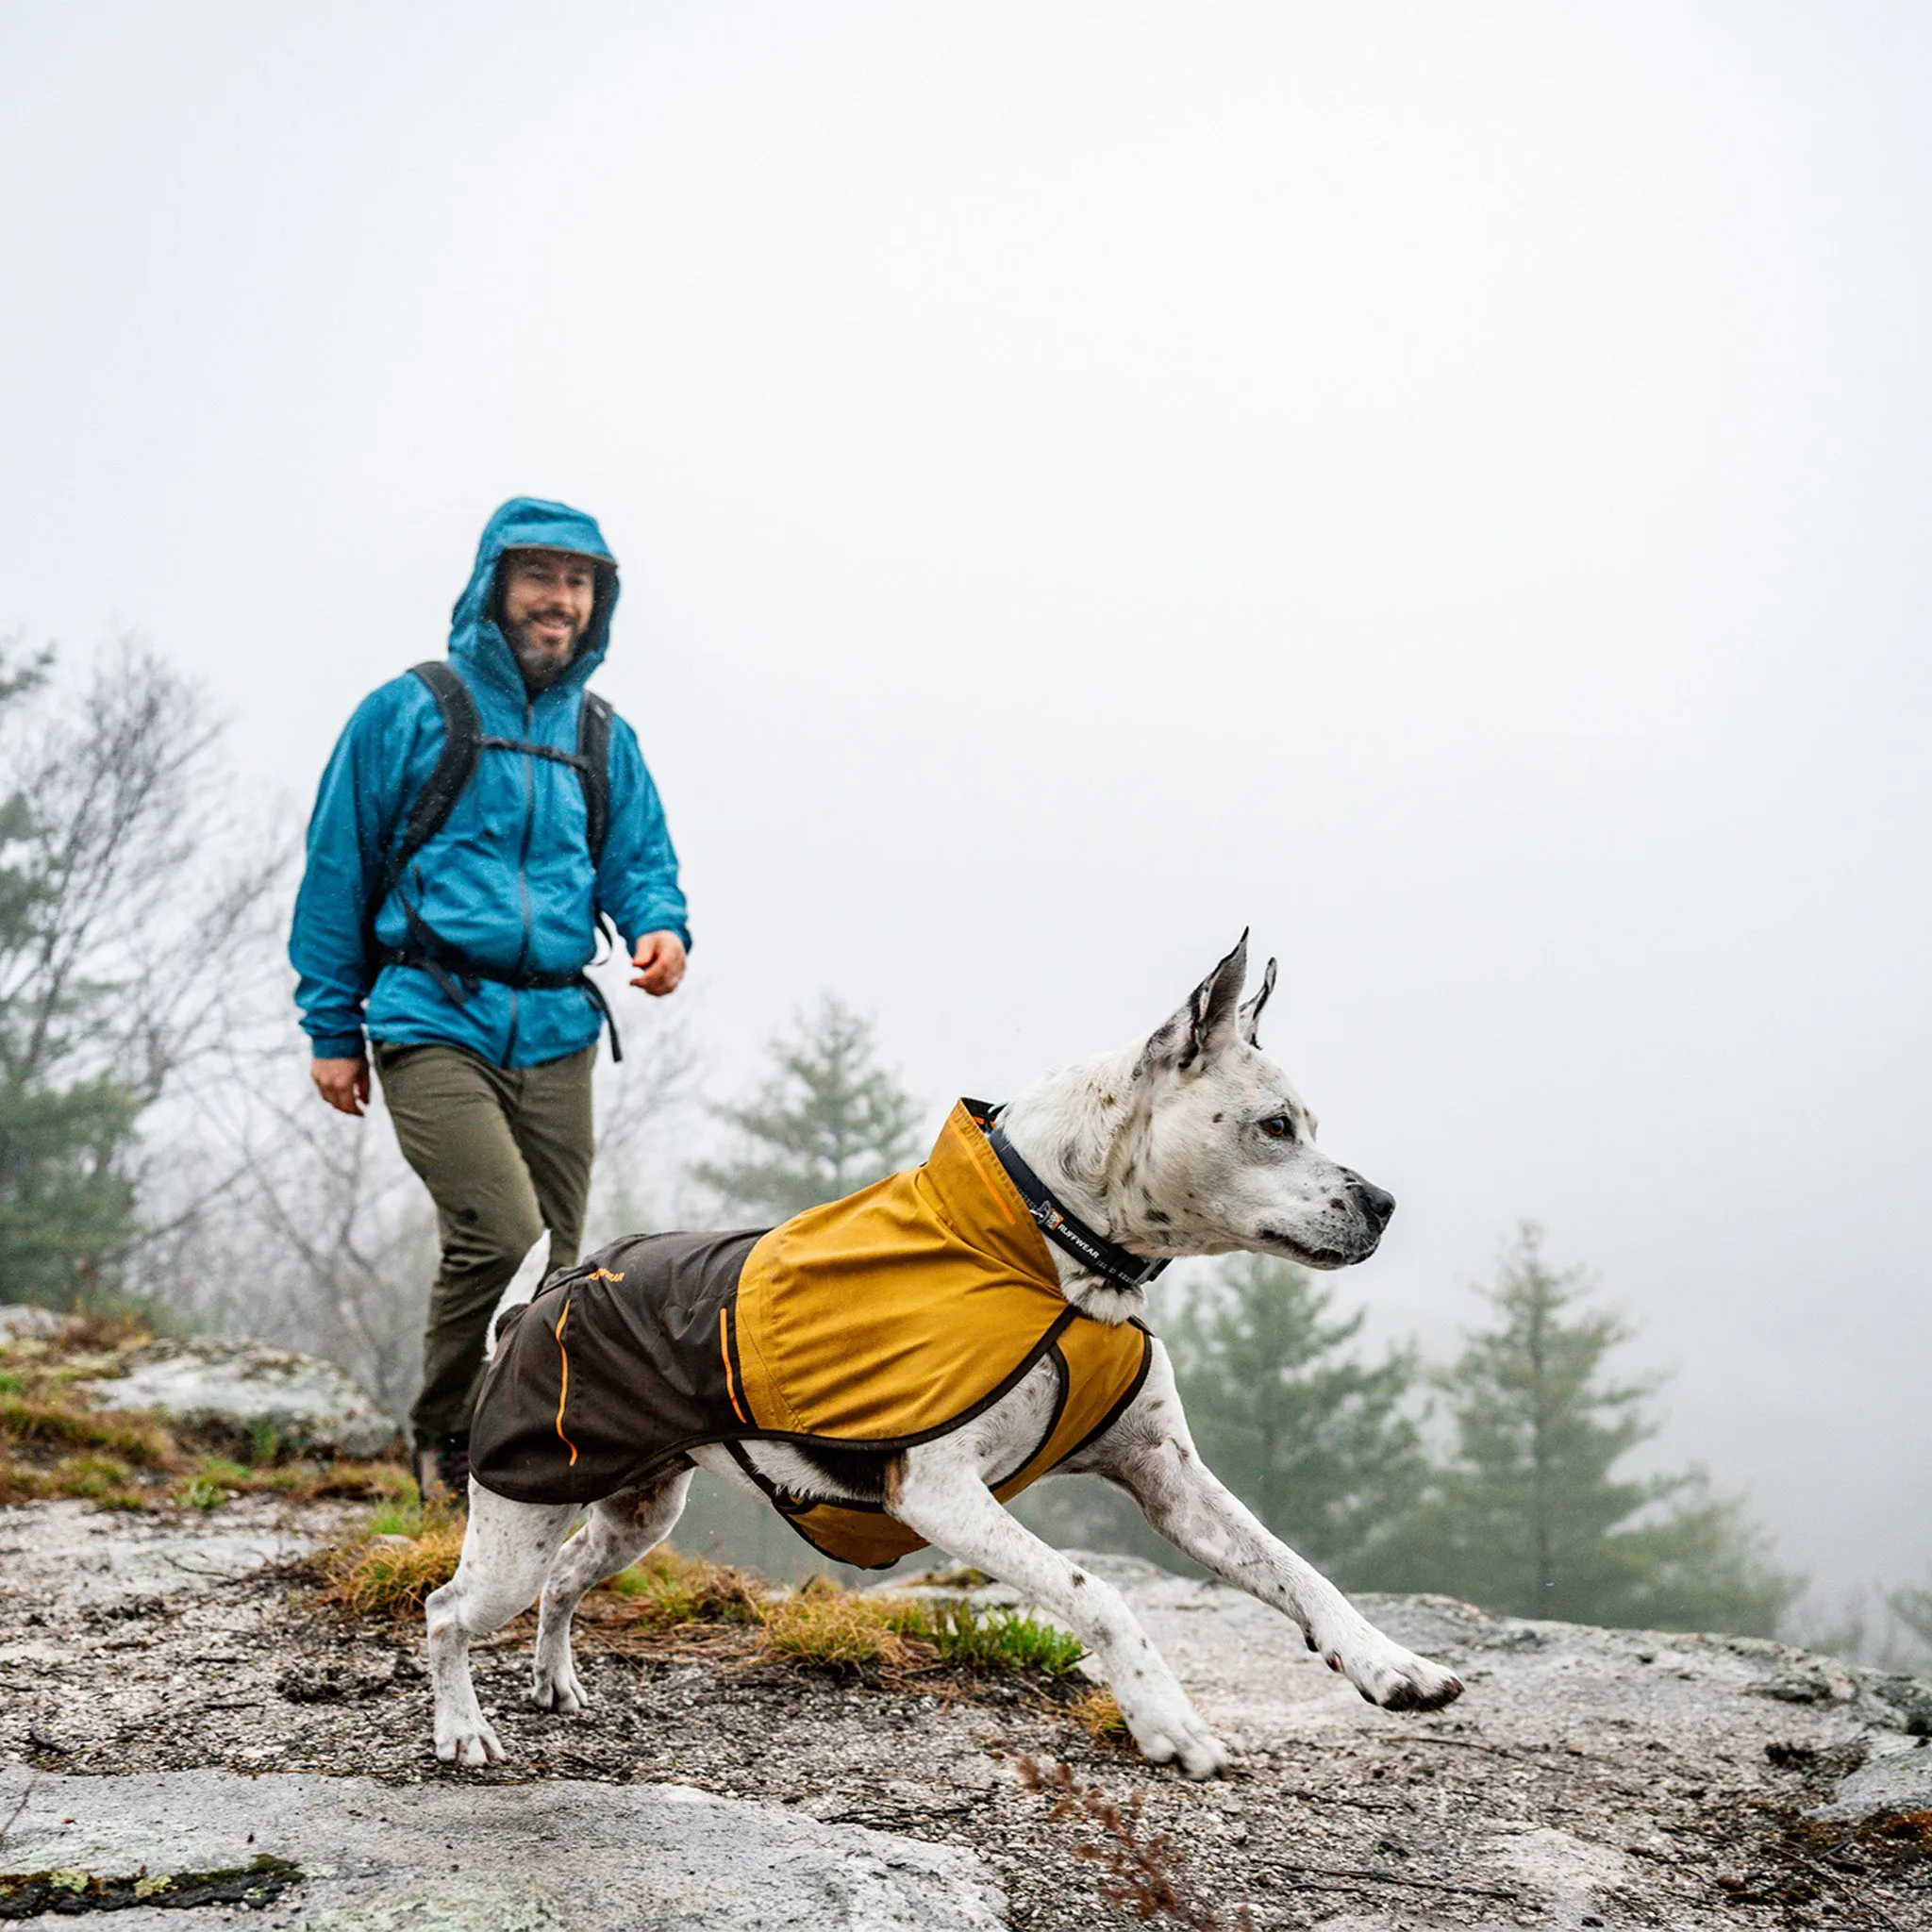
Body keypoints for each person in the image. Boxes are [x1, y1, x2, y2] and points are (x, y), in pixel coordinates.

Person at [290, 497, 689, 1499]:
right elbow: (336, 869)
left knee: (557, 1275)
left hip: (555, 1027)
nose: (558, 600)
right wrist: (332, 1028)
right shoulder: (409, 710)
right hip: (430, 1014)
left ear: (598, 601)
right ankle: (443, 1439)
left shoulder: (601, 736)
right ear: (494, 586)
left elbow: (639, 861)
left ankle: (511, 1465)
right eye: (540, 578)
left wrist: (660, 925)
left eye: (578, 582)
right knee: (500, 1235)